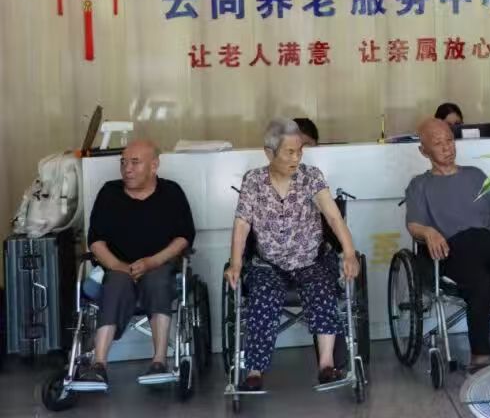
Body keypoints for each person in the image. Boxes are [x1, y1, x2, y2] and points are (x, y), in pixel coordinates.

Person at [223, 118, 359, 391]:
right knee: (262, 297)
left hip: (311, 260)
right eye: (289, 152)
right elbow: (242, 224)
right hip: (268, 264)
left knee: (321, 289)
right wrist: (236, 263)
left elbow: (333, 217)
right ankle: (254, 371)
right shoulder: (253, 180)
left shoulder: (311, 176)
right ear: (269, 152)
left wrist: (349, 253)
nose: (296, 158)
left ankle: (326, 365)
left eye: (300, 151)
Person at [405, 118, 490, 373]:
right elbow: (413, 224)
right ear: (423, 151)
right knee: (480, 282)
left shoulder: (476, 175)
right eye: (438, 143)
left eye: (450, 140)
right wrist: (428, 231)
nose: (447, 147)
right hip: (453, 249)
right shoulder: (420, 185)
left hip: (487, 241)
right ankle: (480, 354)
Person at [82, 140, 195, 385]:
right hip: (118, 267)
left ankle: (159, 361)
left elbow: (184, 237)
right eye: (123, 162)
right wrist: (118, 265)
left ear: (154, 166)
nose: (127, 169)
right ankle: (98, 364)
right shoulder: (109, 193)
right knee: (115, 285)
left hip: (158, 266)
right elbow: (95, 240)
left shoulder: (171, 193)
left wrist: (152, 262)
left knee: (158, 282)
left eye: (135, 162)